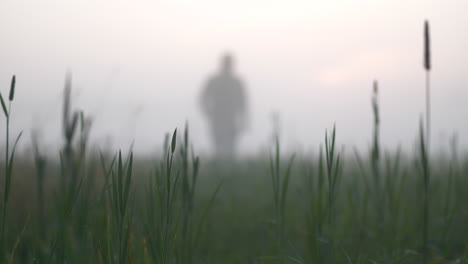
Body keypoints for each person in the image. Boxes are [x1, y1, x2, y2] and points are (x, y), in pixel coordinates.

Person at [199, 53, 248, 157]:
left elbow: (243, 103)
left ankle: (227, 167)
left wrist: (243, 119)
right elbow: (203, 98)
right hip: (218, 118)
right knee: (218, 144)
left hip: (229, 118)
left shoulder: (235, 82)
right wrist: (208, 112)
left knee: (230, 146)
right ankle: (220, 167)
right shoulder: (217, 81)